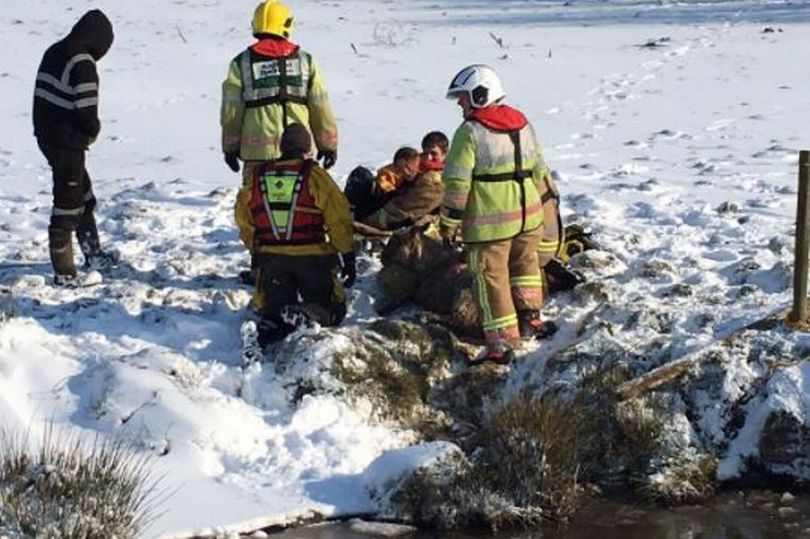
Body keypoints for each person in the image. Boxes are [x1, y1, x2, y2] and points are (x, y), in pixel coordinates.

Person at [440, 64, 556, 364]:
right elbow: (539, 169)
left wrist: (449, 222)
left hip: (490, 226)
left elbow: (457, 183)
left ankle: (502, 343)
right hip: (529, 217)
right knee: (525, 266)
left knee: (491, 279)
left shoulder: (469, 132)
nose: (460, 103)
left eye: (463, 97)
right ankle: (531, 319)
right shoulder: (522, 123)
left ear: (480, 95)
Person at [222, 0, 338, 281]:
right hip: (298, 152)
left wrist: (230, 147)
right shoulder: (306, 62)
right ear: (286, 24)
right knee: (303, 206)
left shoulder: (241, 64)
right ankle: (307, 261)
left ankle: (262, 268)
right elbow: (320, 105)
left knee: (258, 211)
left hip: (257, 154)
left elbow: (231, 110)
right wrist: (328, 143)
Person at [235, 123, 355, 344]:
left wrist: (256, 250)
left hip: (272, 260)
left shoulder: (257, 177)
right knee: (332, 308)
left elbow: (244, 218)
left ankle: (268, 328)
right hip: (312, 259)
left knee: (274, 308)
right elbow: (338, 216)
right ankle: (308, 314)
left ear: (282, 148)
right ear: (307, 149)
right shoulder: (314, 176)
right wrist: (347, 254)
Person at [33, 9, 115, 286]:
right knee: (68, 204)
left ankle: (94, 254)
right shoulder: (82, 62)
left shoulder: (55, 50)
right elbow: (86, 109)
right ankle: (64, 272)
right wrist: (91, 131)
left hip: (47, 136)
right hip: (67, 141)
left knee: (83, 193)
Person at [362, 131, 448, 231]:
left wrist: (367, 220)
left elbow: (405, 211)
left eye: (434, 153)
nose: (428, 157)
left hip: (414, 223)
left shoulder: (434, 180)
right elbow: (390, 172)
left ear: (444, 154)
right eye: (425, 153)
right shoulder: (418, 165)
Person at [345, 147, 420, 223]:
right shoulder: (390, 177)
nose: (406, 172)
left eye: (408, 167)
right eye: (400, 168)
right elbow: (385, 186)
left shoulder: (420, 180)